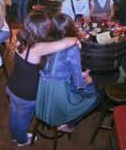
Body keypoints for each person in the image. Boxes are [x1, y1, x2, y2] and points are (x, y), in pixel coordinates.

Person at [7, 11, 81, 146]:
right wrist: (76, 40)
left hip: (12, 86)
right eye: (47, 26)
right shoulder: (37, 47)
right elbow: (65, 42)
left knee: (15, 114)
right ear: (41, 29)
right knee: (23, 119)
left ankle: (15, 135)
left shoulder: (20, 39)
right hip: (26, 94)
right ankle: (22, 140)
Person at [37, 13, 100, 133]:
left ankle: (58, 116)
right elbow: (77, 82)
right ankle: (68, 123)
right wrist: (86, 80)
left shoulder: (49, 41)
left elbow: (57, 67)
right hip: (58, 91)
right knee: (95, 97)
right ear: (71, 27)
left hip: (43, 88)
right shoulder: (72, 48)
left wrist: (80, 76)